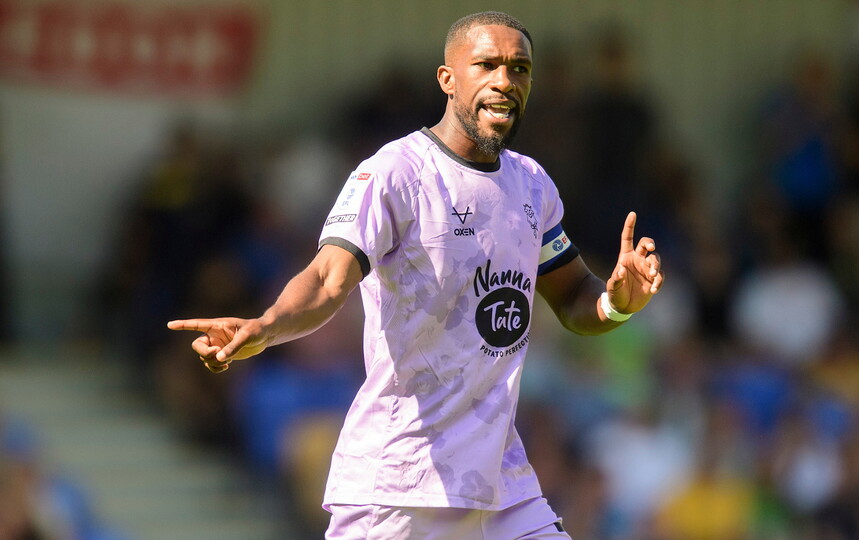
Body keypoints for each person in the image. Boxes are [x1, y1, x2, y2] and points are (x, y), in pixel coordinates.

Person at [168, 11, 664, 539]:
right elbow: (328, 279)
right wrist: (266, 327)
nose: (504, 80)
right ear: (447, 78)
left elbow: (574, 296)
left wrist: (618, 303)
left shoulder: (532, 184)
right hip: (401, 484)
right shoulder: (396, 172)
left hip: (501, 485)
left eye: (519, 68)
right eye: (487, 65)